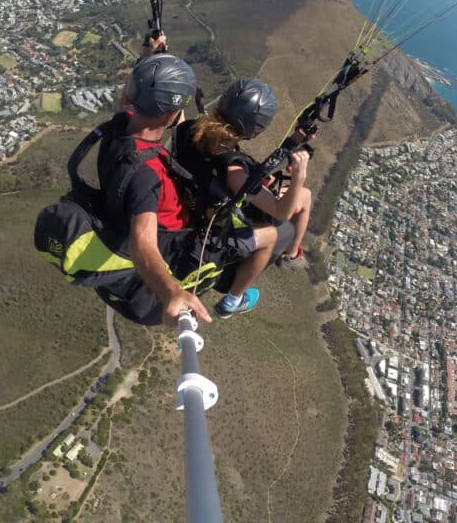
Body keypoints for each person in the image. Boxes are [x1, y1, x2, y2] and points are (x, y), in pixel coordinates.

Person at [36, 53, 285, 326]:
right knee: (271, 233)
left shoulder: (119, 130)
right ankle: (234, 297)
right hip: (180, 241)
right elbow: (143, 245)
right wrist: (172, 292)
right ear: (169, 114)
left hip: (124, 209)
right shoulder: (147, 175)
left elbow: (127, 100)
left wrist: (151, 56)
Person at [174, 79, 314, 318]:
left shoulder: (189, 129)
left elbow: (177, 114)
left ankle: (291, 254)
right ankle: (234, 299)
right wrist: (299, 176)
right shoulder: (235, 171)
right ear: (254, 132)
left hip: (196, 199)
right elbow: (281, 212)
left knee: (289, 192)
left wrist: (294, 141)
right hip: (216, 227)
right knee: (300, 200)